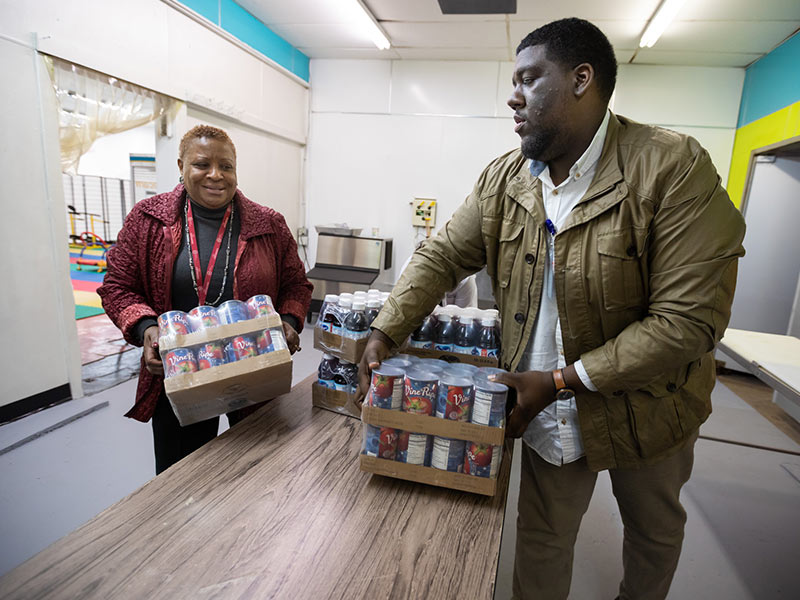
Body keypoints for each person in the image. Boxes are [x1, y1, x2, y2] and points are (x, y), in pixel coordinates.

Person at [358, 18, 745, 600]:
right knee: (542, 538)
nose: (512, 96)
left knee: (653, 533)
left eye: (528, 79)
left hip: (650, 407)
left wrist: (563, 379)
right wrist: (386, 329)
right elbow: (441, 255)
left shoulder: (671, 168)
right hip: (545, 408)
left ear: (581, 79)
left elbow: (688, 322)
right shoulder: (506, 179)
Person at [99, 124, 312, 475]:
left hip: (253, 363)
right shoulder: (148, 219)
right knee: (182, 474)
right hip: (182, 367)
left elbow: (296, 285)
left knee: (261, 467)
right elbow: (117, 286)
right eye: (202, 164)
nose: (216, 175)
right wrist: (146, 328)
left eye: (226, 166)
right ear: (181, 166)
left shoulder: (268, 224)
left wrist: (289, 322)